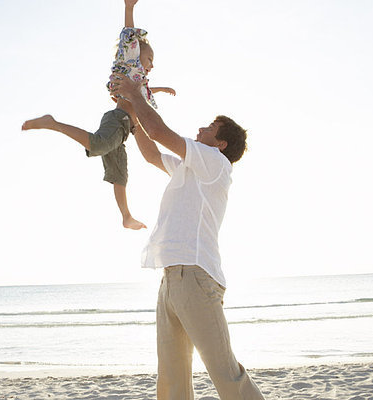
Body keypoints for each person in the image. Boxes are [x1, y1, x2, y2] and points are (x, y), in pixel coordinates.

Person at [110, 74, 266, 400]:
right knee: (172, 377)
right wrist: (133, 117)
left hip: (194, 275)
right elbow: (152, 154)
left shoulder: (215, 162)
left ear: (221, 143)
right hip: (172, 277)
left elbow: (160, 132)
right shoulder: (191, 167)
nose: (202, 129)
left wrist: (135, 94)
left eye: (210, 127)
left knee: (225, 372)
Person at [21, 0, 175, 230]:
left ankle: (126, 216)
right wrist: (129, 9)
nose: (151, 65)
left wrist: (160, 90)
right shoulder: (130, 62)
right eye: (150, 59)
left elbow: (145, 94)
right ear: (137, 54)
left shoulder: (140, 81)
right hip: (116, 122)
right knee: (98, 144)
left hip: (122, 131)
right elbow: (129, 35)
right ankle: (52, 123)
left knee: (119, 175)